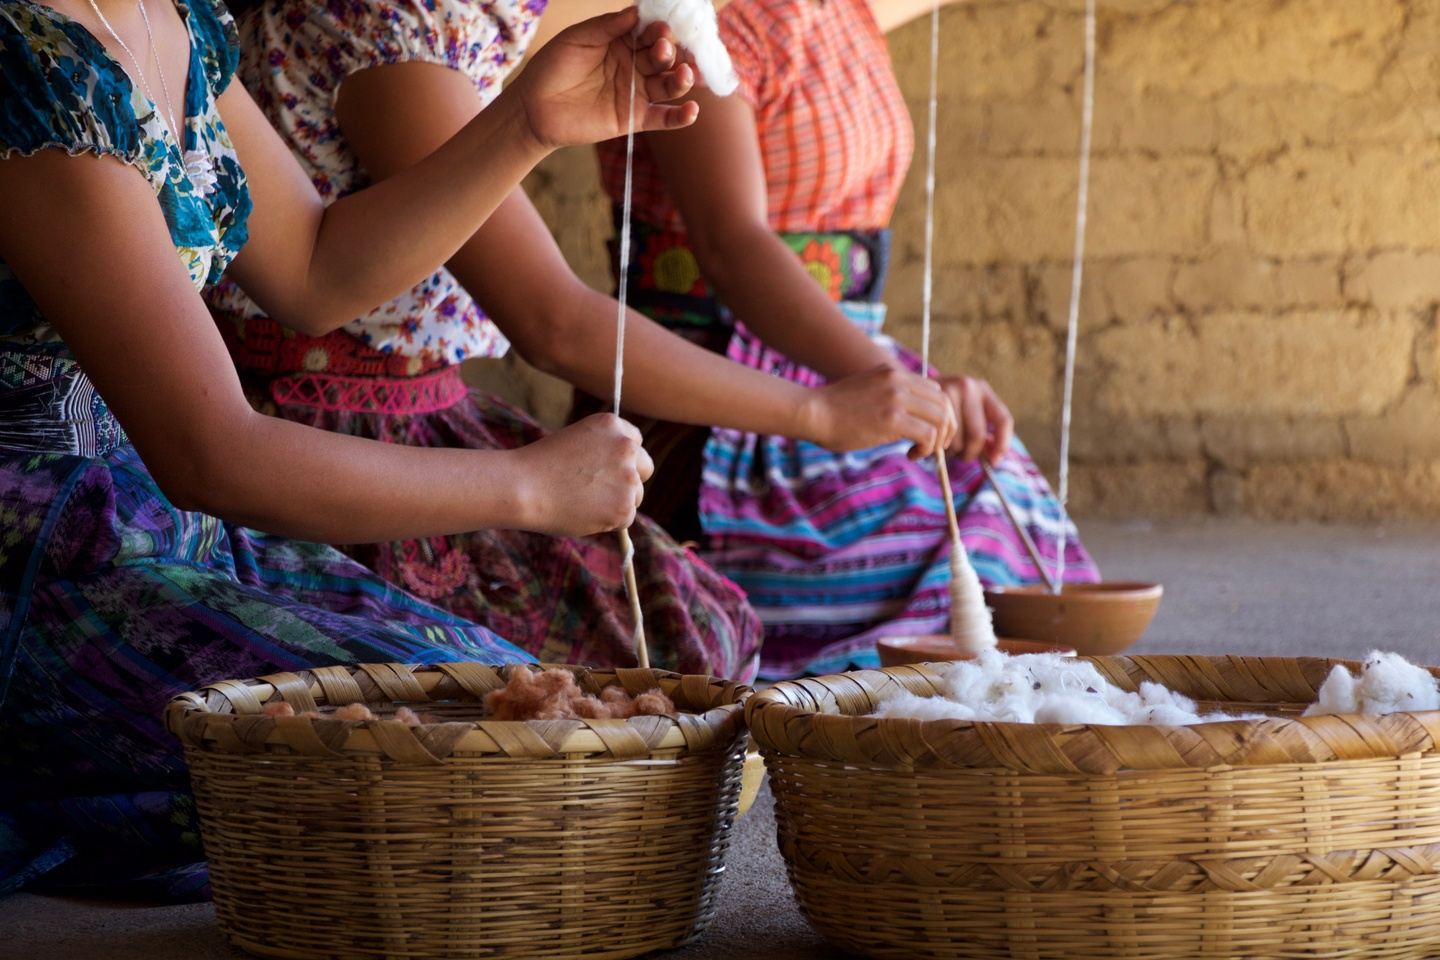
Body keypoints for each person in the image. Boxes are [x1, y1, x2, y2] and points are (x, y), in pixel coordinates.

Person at [0, 0, 695, 898]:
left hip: (157, 525)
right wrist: (526, 484)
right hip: (39, 555)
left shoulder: (165, 21)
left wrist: (526, 122)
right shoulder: (29, 61)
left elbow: (318, 272)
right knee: (458, 762)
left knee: (515, 702)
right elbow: (212, 454)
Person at [207, 0, 960, 679]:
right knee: (616, 669)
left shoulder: (471, 20)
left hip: (431, 405)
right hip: (327, 428)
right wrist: (817, 413)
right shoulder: (384, 33)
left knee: (706, 624)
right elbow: (555, 323)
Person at [591, 0, 1101, 678]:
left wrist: (900, 382)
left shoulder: (843, 13)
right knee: (921, 575)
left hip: (846, 355)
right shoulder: (694, 24)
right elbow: (731, 244)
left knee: (1002, 509)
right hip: (723, 396)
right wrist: (883, 378)